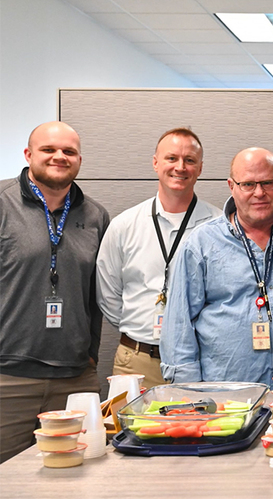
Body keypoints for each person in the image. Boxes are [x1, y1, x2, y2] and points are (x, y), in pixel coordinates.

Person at [158, 147, 273, 386]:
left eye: (268, 183)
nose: (259, 193)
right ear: (232, 186)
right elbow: (178, 327)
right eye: (248, 184)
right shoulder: (201, 244)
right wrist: (192, 396)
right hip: (226, 396)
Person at [0, 122, 110, 463]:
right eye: (49, 150)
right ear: (28, 155)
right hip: (8, 379)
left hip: (75, 379)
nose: (59, 157)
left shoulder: (94, 215)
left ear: (79, 159)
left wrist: (89, 354)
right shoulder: (2, 205)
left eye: (69, 151)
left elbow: (98, 296)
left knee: (80, 475)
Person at [96, 128, 222, 389]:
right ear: (155, 163)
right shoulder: (125, 225)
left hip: (200, 362)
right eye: (171, 158)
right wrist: (141, 330)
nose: (180, 167)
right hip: (137, 360)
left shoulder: (219, 226)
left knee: (196, 430)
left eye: (189, 160)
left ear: (200, 168)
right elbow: (107, 294)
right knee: (129, 431)